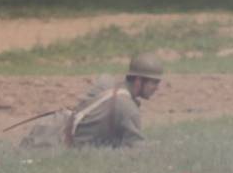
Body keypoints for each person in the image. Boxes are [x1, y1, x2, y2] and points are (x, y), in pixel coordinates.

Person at [19, 54, 162, 148]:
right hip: (53, 147)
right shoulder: (128, 109)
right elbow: (136, 149)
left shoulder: (108, 84)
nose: (157, 88)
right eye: (153, 82)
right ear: (138, 81)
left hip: (50, 132)